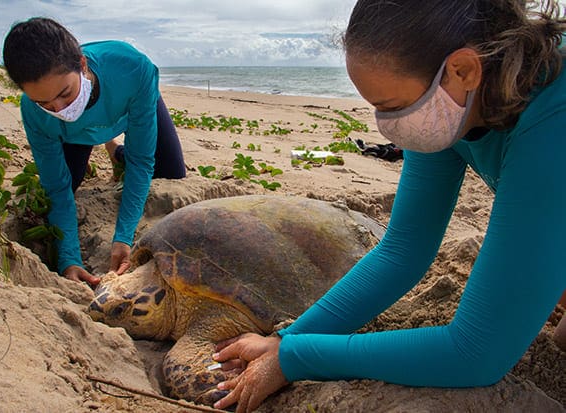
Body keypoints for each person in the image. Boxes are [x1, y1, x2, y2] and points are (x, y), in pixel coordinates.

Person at [212, 1, 566, 411]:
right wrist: (284, 342)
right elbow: (403, 251)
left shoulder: (552, 115)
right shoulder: (453, 106)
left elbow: (475, 353)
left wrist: (297, 359)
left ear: (463, 70)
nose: (387, 125)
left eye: (395, 107)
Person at [2, 18, 186, 287]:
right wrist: (69, 259)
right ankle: (98, 137)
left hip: (126, 108)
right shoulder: (34, 112)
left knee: (170, 171)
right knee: (68, 185)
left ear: (82, 64)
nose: (61, 110)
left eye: (65, 94)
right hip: (74, 136)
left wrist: (123, 237)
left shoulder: (133, 67)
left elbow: (142, 160)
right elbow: (57, 187)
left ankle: (114, 149)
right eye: (45, 103)